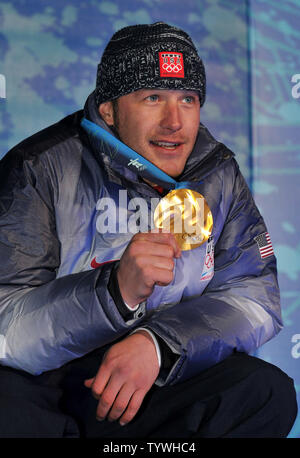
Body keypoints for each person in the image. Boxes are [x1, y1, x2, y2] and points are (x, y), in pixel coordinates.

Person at [0, 22, 297, 439]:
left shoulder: (218, 173)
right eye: (153, 97)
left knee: (265, 391)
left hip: (151, 380)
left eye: (188, 100)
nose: (174, 122)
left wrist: (160, 345)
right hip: (51, 384)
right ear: (109, 109)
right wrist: (112, 293)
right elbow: (4, 326)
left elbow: (254, 298)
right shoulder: (39, 166)